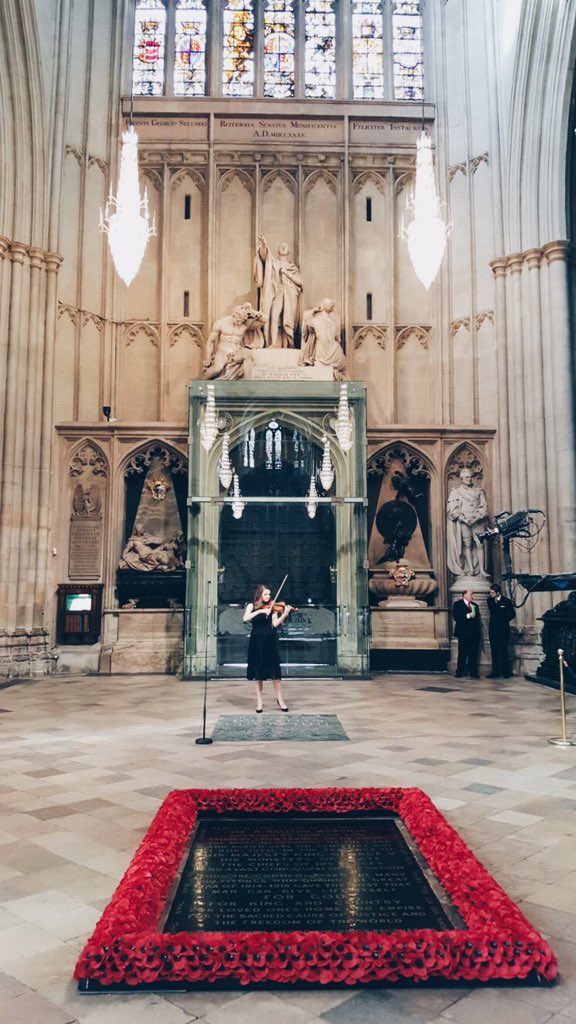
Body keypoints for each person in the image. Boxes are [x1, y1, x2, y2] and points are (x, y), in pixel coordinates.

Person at [243, 584, 292, 713]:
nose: (268, 597)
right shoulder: (251, 606)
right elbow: (245, 618)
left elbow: (275, 624)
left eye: (269, 594)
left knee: (275, 672)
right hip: (257, 641)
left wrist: (285, 614)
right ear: (259, 595)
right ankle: (259, 702)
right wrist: (259, 611)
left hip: (270, 640)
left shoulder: (273, 607)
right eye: (265, 594)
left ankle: (280, 699)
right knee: (258, 673)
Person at [253, 235, 303, 348]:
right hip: (277, 294)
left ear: (289, 251)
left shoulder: (292, 267)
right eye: (281, 246)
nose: (284, 246)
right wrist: (264, 245)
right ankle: (274, 343)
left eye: (286, 246)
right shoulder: (273, 263)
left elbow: (300, 283)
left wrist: (287, 273)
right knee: (274, 316)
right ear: (278, 251)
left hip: (290, 296)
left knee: (288, 320)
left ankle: (288, 344)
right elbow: (264, 256)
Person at [446, 468, 490, 578]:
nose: (469, 479)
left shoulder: (479, 491)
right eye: (467, 477)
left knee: (480, 545)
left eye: (470, 477)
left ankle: (481, 570)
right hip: (464, 522)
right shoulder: (456, 492)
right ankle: (470, 569)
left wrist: (477, 517)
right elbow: (453, 508)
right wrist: (463, 519)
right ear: (462, 479)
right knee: (467, 545)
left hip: (477, 521)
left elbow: (484, 506)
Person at [203, 303, 265, 380]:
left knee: (248, 357)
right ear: (234, 315)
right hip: (223, 351)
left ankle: (248, 384)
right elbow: (210, 341)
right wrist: (208, 357)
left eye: (242, 321)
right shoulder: (221, 323)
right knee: (217, 369)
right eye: (239, 320)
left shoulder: (245, 324)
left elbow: (265, 320)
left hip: (236, 351)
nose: (240, 323)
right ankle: (201, 382)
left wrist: (252, 310)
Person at [300, 297, 349, 380]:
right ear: (332, 308)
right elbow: (338, 339)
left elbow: (304, 323)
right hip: (335, 353)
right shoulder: (334, 324)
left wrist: (313, 310)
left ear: (322, 306)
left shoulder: (314, 321)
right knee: (346, 373)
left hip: (321, 354)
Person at [487, 583, 516, 678]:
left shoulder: (506, 601)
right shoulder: (489, 601)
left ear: (498, 592)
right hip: (493, 629)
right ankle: (495, 672)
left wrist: (504, 620)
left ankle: (506, 672)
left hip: (503, 629)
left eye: (492, 593)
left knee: (503, 650)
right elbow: (494, 611)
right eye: (490, 593)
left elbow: (512, 614)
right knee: (494, 651)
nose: (490, 594)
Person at [452, 588, 481, 678]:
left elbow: (477, 619)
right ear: (465, 595)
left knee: (473, 654)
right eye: (470, 594)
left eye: (472, 594)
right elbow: (456, 617)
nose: (472, 596)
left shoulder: (475, 605)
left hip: (474, 634)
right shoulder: (457, 604)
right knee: (462, 653)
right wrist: (468, 615)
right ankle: (459, 672)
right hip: (463, 633)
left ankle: (473, 672)